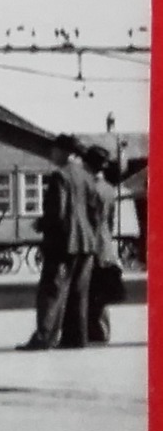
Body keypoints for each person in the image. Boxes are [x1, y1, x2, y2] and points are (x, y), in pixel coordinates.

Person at [18, 135, 100, 350]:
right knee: (79, 292)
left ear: (65, 152)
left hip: (63, 242)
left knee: (52, 290)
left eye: (54, 150)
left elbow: (58, 212)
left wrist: (42, 224)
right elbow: (95, 213)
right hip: (86, 244)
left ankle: (44, 337)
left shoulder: (59, 176)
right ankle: (76, 338)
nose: (51, 154)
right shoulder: (87, 176)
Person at [84, 147, 123, 344]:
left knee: (90, 290)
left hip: (92, 243)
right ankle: (103, 330)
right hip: (106, 243)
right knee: (102, 292)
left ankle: (95, 331)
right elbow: (110, 221)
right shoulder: (108, 188)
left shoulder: (89, 188)